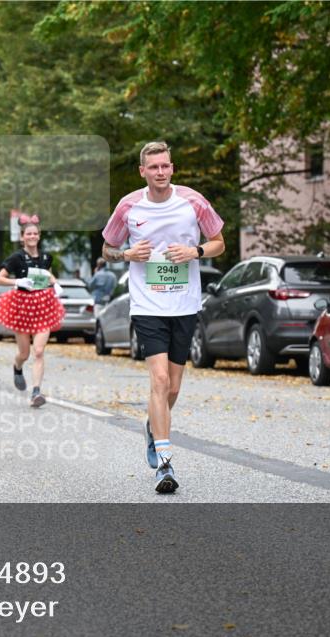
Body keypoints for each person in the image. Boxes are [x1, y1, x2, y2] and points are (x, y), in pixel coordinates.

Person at [102, 141, 226, 494]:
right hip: (147, 307)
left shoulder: (193, 201)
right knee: (158, 381)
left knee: (172, 388)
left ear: (172, 168)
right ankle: (165, 463)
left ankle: (154, 426)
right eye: (153, 167)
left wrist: (195, 250)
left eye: (165, 166)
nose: (160, 172)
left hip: (184, 305)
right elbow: (107, 249)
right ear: (142, 171)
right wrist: (126, 253)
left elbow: (219, 241)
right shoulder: (129, 206)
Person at [0, 214, 65, 408]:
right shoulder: (16, 258)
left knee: (39, 351)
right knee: (25, 353)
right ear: (23, 237)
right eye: (28, 234)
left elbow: (45, 273)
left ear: (39, 236)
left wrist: (55, 284)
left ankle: (36, 392)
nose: (32, 236)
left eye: (35, 233)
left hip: (43, 306)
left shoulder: (47, 257)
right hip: (22, 306)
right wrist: (18, 281)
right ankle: (17, 367)